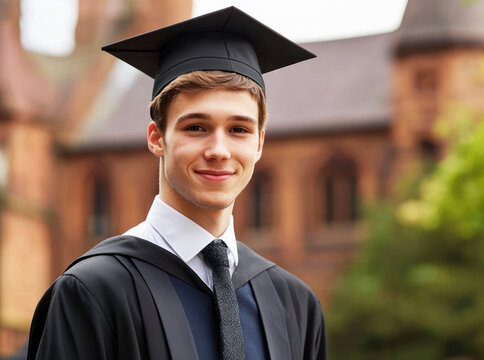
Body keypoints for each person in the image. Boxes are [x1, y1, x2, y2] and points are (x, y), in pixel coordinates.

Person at [27, 7, 326, 360]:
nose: (218, 150)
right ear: (156, 138)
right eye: (196, 127)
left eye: (238, 130)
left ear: (259, 143)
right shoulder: (93, 290)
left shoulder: (294, 304)